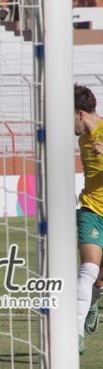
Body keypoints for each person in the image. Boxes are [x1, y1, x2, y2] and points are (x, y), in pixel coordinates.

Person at [74, 84, 103, 353]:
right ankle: (76, 332)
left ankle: (93, 299)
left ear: (80, 113)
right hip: (91, 210)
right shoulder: (82, 140)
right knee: (89, 268)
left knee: (99, 278)